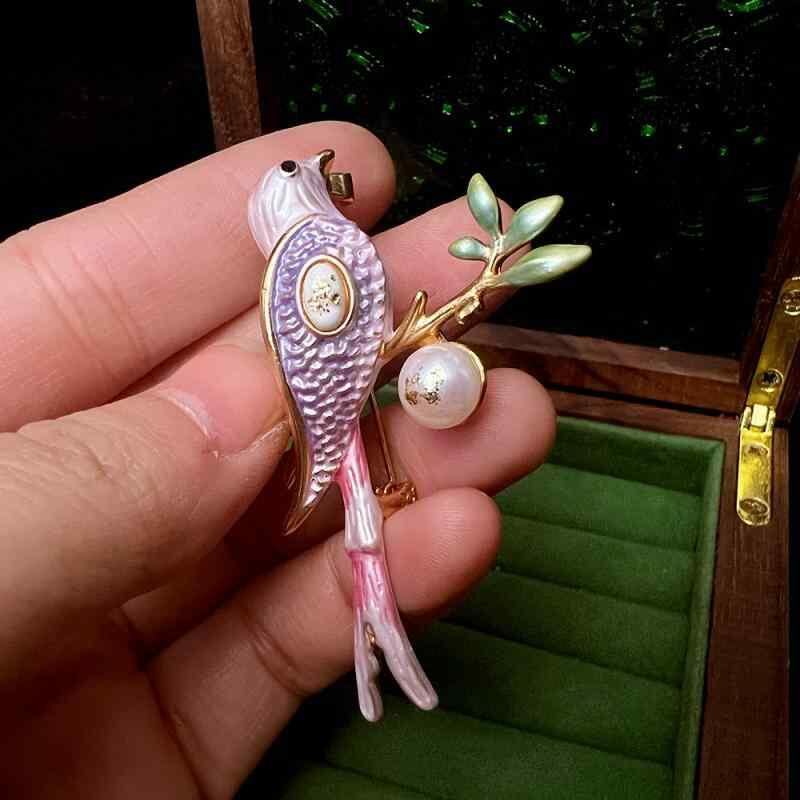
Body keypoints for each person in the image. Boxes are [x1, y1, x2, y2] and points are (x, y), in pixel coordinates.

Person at [0, 121, 555, 798]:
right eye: (307, 175)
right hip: (333, 394)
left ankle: (377, 624)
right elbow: (332, 343)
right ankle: (375, 624)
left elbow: (352, 330)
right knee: (359, 494)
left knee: (364, 497)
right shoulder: (313, 247)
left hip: (348, 382)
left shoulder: (317, 245)